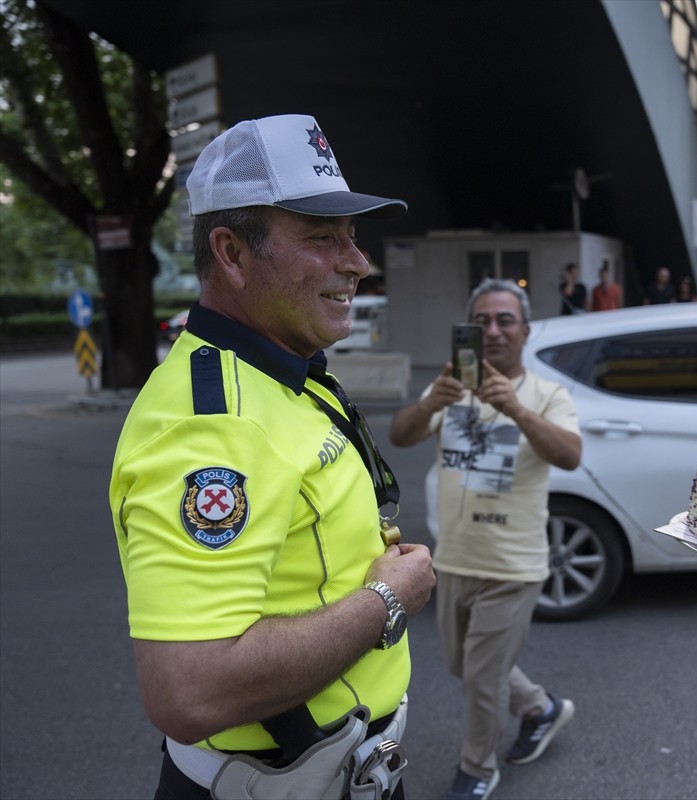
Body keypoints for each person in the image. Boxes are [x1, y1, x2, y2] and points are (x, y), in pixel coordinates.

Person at [109, 114, 437, 800]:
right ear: (230, 252)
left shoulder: (284, 366)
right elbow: (188, 691)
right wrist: (386, 600)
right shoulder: (210, 426)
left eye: (352, 236)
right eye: (321, 238)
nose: (356, 262)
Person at [389, 279, 582, 800]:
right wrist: (432, 404)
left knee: (480, 678)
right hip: (453, 557)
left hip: (512, 564)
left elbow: (569, 455)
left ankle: (478, 770)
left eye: (504, 321)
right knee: (463, 665)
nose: (493, 331)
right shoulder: (451, 388)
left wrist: (517, 409)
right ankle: (541, 708)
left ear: (525, 330)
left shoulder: (547, 394)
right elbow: (400, 435)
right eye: (482, 321)